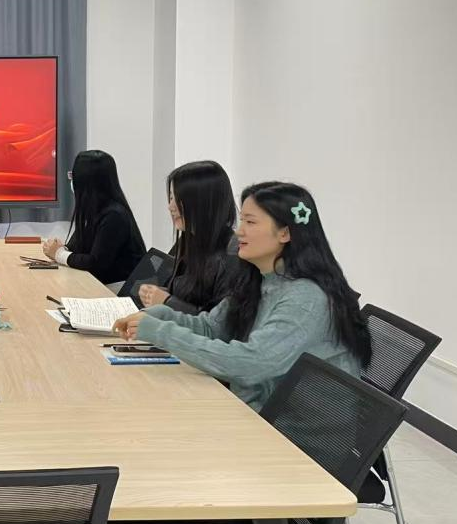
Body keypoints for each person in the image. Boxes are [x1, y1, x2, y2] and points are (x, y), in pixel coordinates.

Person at [113, 181, 371, 410]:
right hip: (253, 408)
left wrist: (161, 332)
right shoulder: (258, 277)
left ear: (285, 233)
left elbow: (251, 364)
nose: (239, 232)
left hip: (292, 433)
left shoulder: (306, 297)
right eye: (242, 221)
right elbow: (212, 328)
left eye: (251, 222)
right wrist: (161, 315)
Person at [137, 160, 241, 314]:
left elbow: (215, 323)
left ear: (204, 202)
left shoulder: (231, 256)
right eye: (171, 198)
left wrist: (167, 301)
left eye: (179, 199)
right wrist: (156, 294)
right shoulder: (188, 240)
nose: (170, 207)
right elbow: (186, 295)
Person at [42, 150, 146, 289]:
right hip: (101, 284)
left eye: (73, 176)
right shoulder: (94, 210)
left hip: (118, 289)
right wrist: (61, 249)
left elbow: (95, 264)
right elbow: (77, 247)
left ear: (85, 181)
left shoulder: (114, 216)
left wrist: (59, 254)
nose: (71, 181)